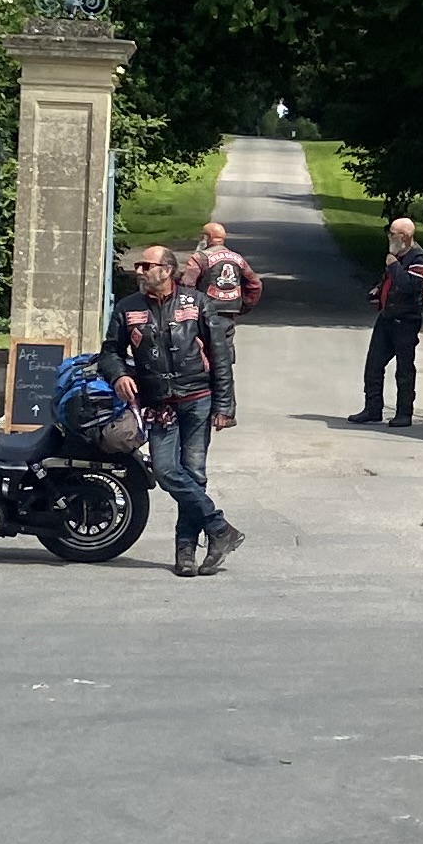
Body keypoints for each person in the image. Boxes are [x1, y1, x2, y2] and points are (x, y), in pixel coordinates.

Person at [103, 244, 243, 577]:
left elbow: (220, 357)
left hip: (197, 399)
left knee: (193, 474)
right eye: (138, 265)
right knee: (166, 471)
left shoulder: (197, 303)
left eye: (145, 265)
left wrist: (225, 404)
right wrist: (120, 374)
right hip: (159, 405)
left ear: (166, 270)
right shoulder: (128, 307)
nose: (139, 271)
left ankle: (185, 551)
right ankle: (220, 528)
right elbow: (109, 352)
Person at [356, 214, 423, 428]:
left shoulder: (419, 258)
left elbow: (411, 287)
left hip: (406, 321)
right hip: (387, 318)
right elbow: (389, 283)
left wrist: (393, 265)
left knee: (404, 369)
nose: (389, 237)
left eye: (392, 233)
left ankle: (404, 413)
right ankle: (372, 409)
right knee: (373, 365)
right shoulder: (397, 255)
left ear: (405, 236)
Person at [188, 220, 263, 424]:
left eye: (202, 235)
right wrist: (243, 305)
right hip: (228, 317)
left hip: (203, 317)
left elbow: (187, 285)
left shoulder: (199, 259)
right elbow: (255, 284)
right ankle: (226, 412)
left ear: (207, 238)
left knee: (197, 362)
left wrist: (188, 310)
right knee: (224, 362)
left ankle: (199, 408)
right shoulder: (237, 259)